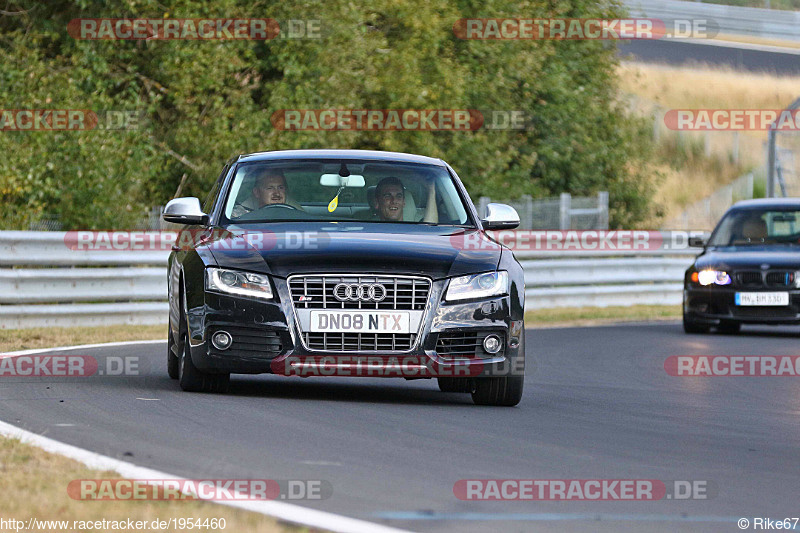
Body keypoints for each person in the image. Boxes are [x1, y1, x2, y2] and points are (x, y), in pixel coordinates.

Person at [232, 169, 301, 217]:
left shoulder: (297, 214)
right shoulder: (241, 216)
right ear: (257, 192)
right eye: (270, 188)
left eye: (280, 188)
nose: (277, 193)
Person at [373, 176, 438, 223]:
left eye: (399, 196)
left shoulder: (416, 231)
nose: (394, 201)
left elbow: (429, 229)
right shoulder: (367, 231)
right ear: (377, 203)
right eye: (388, 196)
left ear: (404, 202)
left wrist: (431, 190)